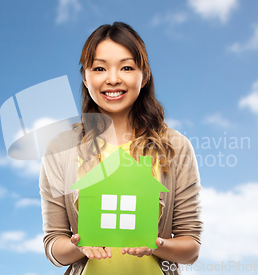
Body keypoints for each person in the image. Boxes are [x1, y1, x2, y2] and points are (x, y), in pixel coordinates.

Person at [39, 21, 202, 275]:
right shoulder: (61, 148)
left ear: (144, 75)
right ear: (85, 76)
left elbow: (191, 247)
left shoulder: (175, 147)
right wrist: (79, 246)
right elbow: (53, 244)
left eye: (126, 67)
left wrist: (155, 245)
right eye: (99, 68)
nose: (113, 79)